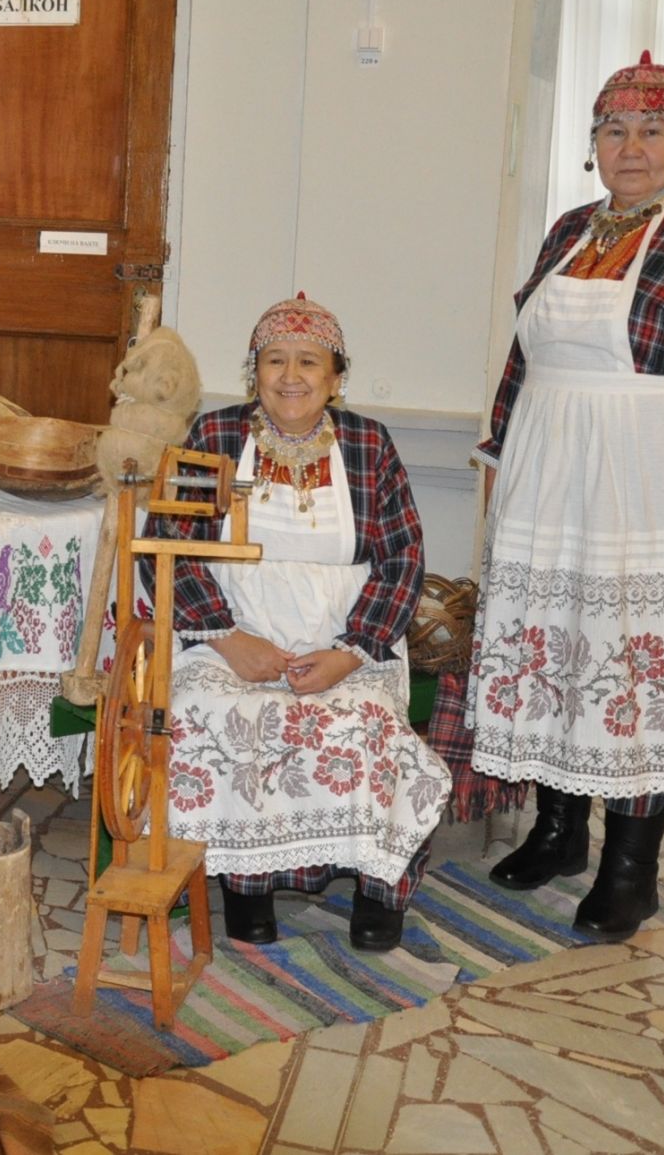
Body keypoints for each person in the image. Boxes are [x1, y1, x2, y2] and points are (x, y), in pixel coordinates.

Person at [467, 51, 664, 941]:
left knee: (636, 666)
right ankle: (560, 830)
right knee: (560, 650)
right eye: (614, 130)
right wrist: (498, 456)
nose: (632, 146)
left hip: (650, 482)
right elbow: (523, 361)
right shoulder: (568, 229)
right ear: (593, 145)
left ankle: (629, 868)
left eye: (652, 130)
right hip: (548, 475)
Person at [143, 297, 451, 953]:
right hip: (229, 640)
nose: (291, 375)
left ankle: (378, 886)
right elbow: (167, 540)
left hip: (345, 644)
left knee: (365, 726)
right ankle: (244, 883)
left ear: (336, 377)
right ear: (254, 372)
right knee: (203, 713)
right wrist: (226, 639)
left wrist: (350, 652)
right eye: (274, 359)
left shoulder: (368, 444)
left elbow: (402, 559)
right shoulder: (215, 436)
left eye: (308, 361)